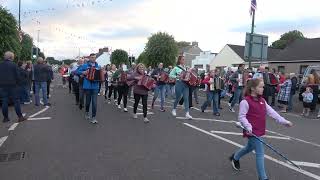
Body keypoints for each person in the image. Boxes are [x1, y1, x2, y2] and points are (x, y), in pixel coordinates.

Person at [229, 78, 293, 180]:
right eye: (261, 87)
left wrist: (284, 121)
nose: (263, 88)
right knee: (260, 153)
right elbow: (241, 117)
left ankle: (235, 157)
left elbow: (272, 112)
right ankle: (263, 178)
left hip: (260, 130)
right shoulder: (245, 102)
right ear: (253, 88)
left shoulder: (262, 100)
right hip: (251, 131)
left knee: (249, 147)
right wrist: (248, 126)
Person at [0, 51, 27, 123]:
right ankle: (20, 117)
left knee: (4, 101)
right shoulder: (14, 65)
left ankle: (5, 118)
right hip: (13, 86)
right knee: (16, 101)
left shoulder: (0, 65)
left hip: (2, 86)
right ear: (11, 57)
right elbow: (18, 76)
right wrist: (18, 83)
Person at [77, 53, 101, 124]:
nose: (93, 59)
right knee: (88, 102)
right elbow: (76, 72)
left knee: (94, 102)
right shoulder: (85, 65)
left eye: (94, 57)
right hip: (87, 86)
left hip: (95, 87)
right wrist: (83, 72)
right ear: (89, 58)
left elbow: (101, 75)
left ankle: (94, 117)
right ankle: (87, 112)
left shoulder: (98, 66)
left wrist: (103, 72)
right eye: (92, 57)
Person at [169, 55, 192, 119]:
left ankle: (187, 113)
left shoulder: (186, 68)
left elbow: (189, 75)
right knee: (178, 98)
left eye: (184, 59)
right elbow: (170, 75)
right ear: (179, 60)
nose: (184, 60)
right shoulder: (176, 68)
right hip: (179, 83)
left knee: (186, 98)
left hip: (186, 84)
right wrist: (176, 77)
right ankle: (174, 109)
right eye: (183, 59)